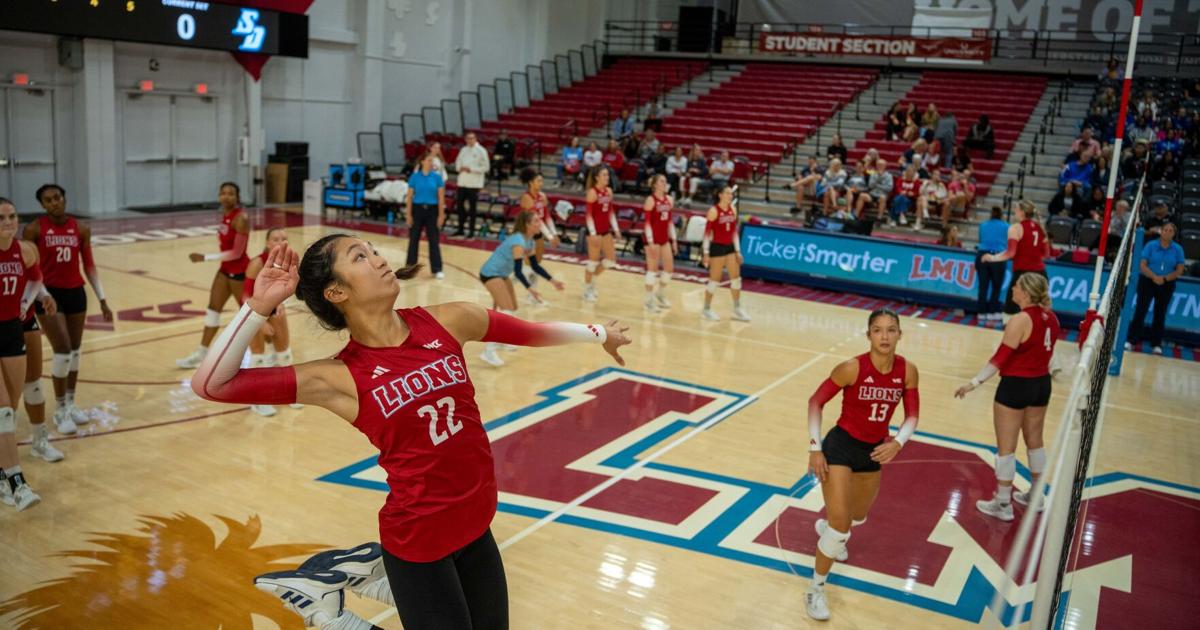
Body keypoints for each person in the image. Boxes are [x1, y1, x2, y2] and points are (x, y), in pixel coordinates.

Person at [192, 238, 631, 630]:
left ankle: (361, 583)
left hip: (477, 525)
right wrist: (259, 304)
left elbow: (531, 333)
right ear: (337, 292)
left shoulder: (450, 320)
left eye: (374, 251)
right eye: (359, 257)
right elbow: (212, 385)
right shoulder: (340, 376)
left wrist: (598, 334)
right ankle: (331, 617)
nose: (379, 259)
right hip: (420, 541)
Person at [805, 307, 919, 621]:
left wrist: (898, 442)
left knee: (858, 516)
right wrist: (815, 448)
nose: (885, 336)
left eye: (891, 330)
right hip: (840, 447)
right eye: (878, 330)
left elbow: (911, 415)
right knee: (841, 526)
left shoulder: (908, 370)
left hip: (873, 451)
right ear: (868, 334)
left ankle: (829, 529)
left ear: (899, 334)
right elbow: (815, 401)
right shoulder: (852, 367)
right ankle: (816, 588)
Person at [955, 273, 1059, 521]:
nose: (1012, 288)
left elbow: (1000, 358)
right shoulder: (1051, 318)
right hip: (1041, 385)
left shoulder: (1020, 320)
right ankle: (1036, 496)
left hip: (1016, 386)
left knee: (1006, 447)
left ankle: (1002, 503)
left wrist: (973, 383)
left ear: (1025, 292)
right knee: (1035, 441)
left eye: (1016, 285)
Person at [24, 185, 113, 431]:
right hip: (48, 295)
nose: (54, 202)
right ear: (42, 205)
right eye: (48, 200)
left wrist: (103, 299)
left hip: (76, 293)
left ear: (64, 199)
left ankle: (71, 403)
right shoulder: (34, 229)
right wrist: (31, 298)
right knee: (62, 349)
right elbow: (29, 268)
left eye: (57, 198)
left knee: (74, 351)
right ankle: (60, 409)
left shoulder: (81, 228)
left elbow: (90, 266)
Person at [0, 197, 56, 510]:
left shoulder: (25, 250)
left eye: (12, 216)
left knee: (11, 407)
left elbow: (36, 279)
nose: (8, 222)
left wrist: (26, 303)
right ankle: (18, 483)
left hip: (12, 330)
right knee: (3, 413)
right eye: (1, 217)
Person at [176, 182, 250, 370]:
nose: (226, 197)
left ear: (237, 197)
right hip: (224, 271)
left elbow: (237, 253)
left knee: (249, 317)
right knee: (212, 310)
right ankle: (201, 353)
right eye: (223, 193)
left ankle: (270, 353)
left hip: (240, 273)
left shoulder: (240, 219)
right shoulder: (223, 216)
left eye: (231, 194)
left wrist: (204, 257)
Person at [477, 211, 564, 366]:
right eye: (536, 221)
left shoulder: (529, 242)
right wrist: (530, 289)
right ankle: (488, 351)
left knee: (512, 308)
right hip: (490, 273)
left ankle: (503, 341)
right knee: (507, 309)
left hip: (502, 274)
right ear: (527, 225)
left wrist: (553, 281)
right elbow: (518, 271)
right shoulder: (518, 242)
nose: (540, 224)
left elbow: (535, 266)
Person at [242, 227, 302, 417]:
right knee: (258, 357)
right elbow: (245, 296)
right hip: (253, 313)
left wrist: (281, 303)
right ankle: (257, 401)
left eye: (284, 239)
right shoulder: (256, 263)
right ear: (268, 243)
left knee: (284, 355)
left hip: (275, 310)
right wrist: (260, 322)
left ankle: (286, 394)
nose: (280, 242)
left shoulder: (286, 262)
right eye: (276, 239)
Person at [1125, 223, 1187, 355]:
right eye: (1165, 230)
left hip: (1167, 283)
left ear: (1174, 234)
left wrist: (1164, 279)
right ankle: (1131, 340)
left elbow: (1180, 269)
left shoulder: (1178, 249)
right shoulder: (1151, 245)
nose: (1167, 232)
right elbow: (1142, 265)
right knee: (1140, 310)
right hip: (1148, 280)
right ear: (1161, 231)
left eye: (1171, 231)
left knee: (1160, 313)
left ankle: (1156, 344)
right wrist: (1154, 277)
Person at [983, 200, 1049, 318]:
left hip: (1023, 275)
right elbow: (1046, 253)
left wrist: (991, 258)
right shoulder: (1040, 228)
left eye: (1016, 209)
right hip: (1040, 274)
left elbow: (1010, 253)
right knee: (1040, 313)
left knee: (1010, 313)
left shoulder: (1015, 228)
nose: (1014, 211)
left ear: (1022, 212)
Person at [700, 186, 749, 322]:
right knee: (715, 280)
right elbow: (707, 234)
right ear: (720, 195)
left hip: (730, 247)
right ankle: (706, 309)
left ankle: (737, 309)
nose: (730, 195)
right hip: (717, 247)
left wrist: (738, 251)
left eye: (731, 193)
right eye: (727, 193)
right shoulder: (713, 211)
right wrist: (705, 252)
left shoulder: (733, 209)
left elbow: (734, 232)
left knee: (736, 278)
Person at [517, 168, 559, 305]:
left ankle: (532, 294)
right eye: (538, 181)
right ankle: (529, 294)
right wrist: (550, 236)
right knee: (530, 265)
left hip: (539, 233)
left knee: (536, 264)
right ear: (530, 183)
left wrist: (554, 233)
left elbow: (546, 217)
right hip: (527, 235)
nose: (541, 183)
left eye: (542, 180)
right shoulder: (526, 198)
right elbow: (536, 220)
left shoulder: (542, 196)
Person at [405, 150, 446, 280]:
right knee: (413, 240)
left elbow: (441, 198)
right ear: (422, 162)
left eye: (432, 160)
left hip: (432, 211)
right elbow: (410, 197)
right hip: (417, 210)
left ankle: (437, 269)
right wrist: (408, 214)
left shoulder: (437, 177)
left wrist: (441, 215)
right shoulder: (415, 177)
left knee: (434, 240)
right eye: (429, 160)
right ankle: (410, 269)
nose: (431, 162)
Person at [582, 167, 619, 304]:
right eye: (604, 175)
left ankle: (592, 281)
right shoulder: (592, 192)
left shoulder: (609, 191)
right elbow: (589, 215)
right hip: (594, 232)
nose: (607, 177)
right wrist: (593, 233)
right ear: (597, 177)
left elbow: (610, 212)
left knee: (610, 260)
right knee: (593, 262)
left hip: (605, 231)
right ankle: (587, 289)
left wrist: (616, 228)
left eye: (607, 175)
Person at [641, 175, 677, 313]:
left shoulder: (669, 200)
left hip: (664, 238)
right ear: (655, 185)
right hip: (652, 239)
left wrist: (673, 240)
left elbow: (669, 222)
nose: (664, 183)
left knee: (669, 269)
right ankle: (648, 301)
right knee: (652, 269)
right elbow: (647, 223)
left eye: (665, 181)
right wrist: (650, 242)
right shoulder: (650, 200)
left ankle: (660, 293)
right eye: (662, 181)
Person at [453, 132, 488, 238]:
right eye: (468, 138)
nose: (470, 140)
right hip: (462, 182)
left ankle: (471, 231)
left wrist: (471, 169)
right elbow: (457, 162)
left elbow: (486, 167)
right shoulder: (463, 150)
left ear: (475, 139)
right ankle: (460, 229)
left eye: (472, 138)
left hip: (474, 184)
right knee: (459, 206)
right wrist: (460, 168)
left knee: (472, 208)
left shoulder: (481, 151)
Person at [976, 207, 1009, 321]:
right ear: (1001, 215)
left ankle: (981, 312)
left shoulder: (983, 225)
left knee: (983, 286)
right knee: (996, 286)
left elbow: (980, 240)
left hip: (982, 255)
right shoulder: (1006, 226)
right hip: (998, 257)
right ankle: (992, 311)